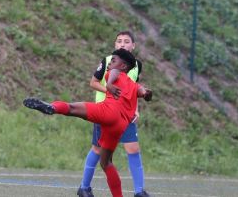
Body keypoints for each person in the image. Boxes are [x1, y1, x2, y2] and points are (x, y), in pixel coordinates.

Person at [23, 48, 153, 197]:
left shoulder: (114, 74)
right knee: (106, 163)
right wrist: (147, 94)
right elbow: (144, 92)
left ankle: (52, 107)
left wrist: (109, 84)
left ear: (123, 66)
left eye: (114, 60)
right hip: (119, 127)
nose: (110, 62)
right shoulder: (134, 85)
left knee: (72, 108)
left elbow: (115, 73)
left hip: (107, 112)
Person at [78, 31, 151, 197]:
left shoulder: (136, 65)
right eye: (119, 41)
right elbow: (93, 82)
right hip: (105, 112)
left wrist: (136, 108)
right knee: (97, 149)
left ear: (133, 46)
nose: (122, 44)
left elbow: (133, 89)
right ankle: (84, 187)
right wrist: (110, 89)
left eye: (126, 41)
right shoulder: (108, 62)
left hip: (126, 115)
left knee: (133, 148)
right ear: (115, 45)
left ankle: (139, 191)